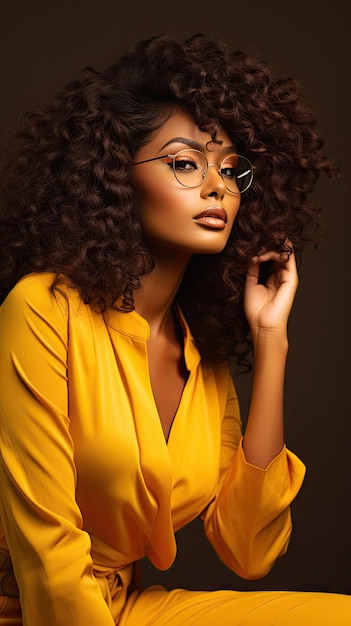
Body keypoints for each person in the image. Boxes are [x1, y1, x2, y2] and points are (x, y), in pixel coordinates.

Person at [0, 33, 349, 625]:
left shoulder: (200, 356)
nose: (218, 186)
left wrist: (271, 340)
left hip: (126, 609)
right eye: (185, 163)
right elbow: (47, 554)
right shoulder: (41, 308)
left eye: (233, 171)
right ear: (113, 176)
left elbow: (249, 549)